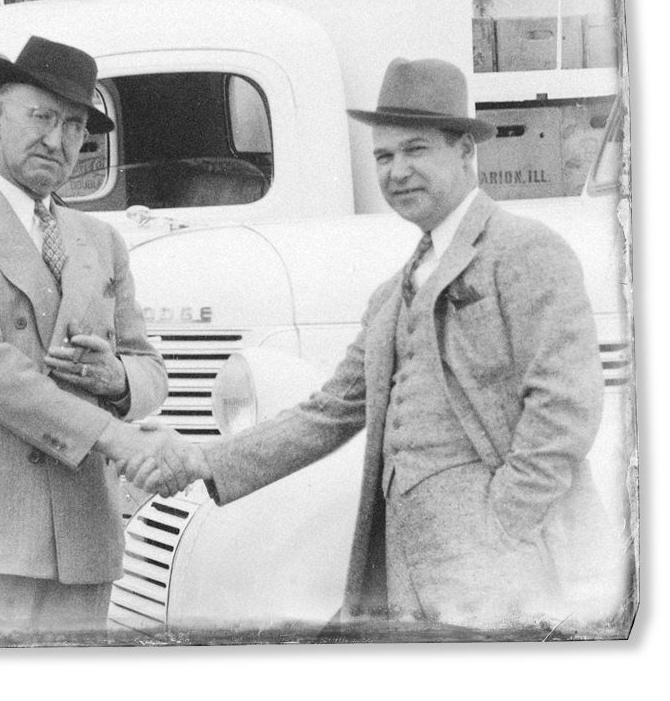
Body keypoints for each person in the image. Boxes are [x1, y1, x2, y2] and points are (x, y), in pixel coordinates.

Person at [127, 58, 615, 628]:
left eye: (415, 150)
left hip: (509, 570)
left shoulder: (525, 251)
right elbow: (328, 411)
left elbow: (566, 406)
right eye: (383, 157)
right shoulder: (391, 295)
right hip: (405, 575)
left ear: (465, 152)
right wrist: (202, 458)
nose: (397, 171)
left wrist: (503, 522)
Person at [0, 35, 192, 639]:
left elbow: (150, 367)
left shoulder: (101, 241)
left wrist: (120, 381)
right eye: (42, 116)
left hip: (82, 536)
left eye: (76, 126)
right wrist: (118, 436)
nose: (57, 140)